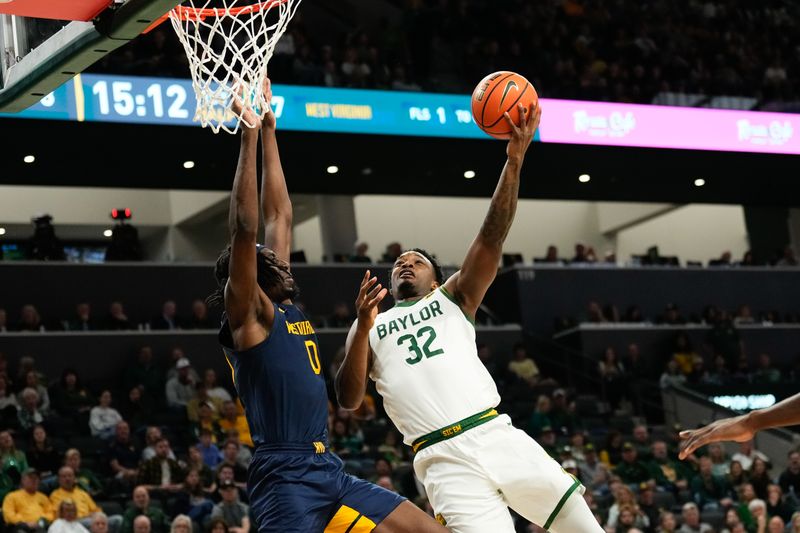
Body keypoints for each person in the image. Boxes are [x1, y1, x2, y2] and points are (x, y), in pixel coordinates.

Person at [337, 102, 600, 533]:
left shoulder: (453, 298)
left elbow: (493, 234)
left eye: (417, 260)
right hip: (439, 458)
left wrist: (514, 161)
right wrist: (363, 326)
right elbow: (348, 400)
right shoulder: (369, 324)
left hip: (494, 433)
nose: (405, 263)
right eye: (399, 261)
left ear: (437, 277)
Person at [208, 78, 442, 533]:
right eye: (269, 259)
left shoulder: (284, 305)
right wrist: (248, 134)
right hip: (284, 478)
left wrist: (272, 131)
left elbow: (280, 214)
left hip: (327, 468)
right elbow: (244, 226)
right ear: (250, 277)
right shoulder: (248, 317)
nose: (283, 257)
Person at [2, 468, 55, 533]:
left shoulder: (43, 497)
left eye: (36, 478)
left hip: (41, 526)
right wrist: (25, 523)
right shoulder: (11, 496)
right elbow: (8, 515)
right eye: (31, 478)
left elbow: (51, 513)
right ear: (23, 480)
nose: (34, 480)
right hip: (21, 527)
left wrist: (40, 521)